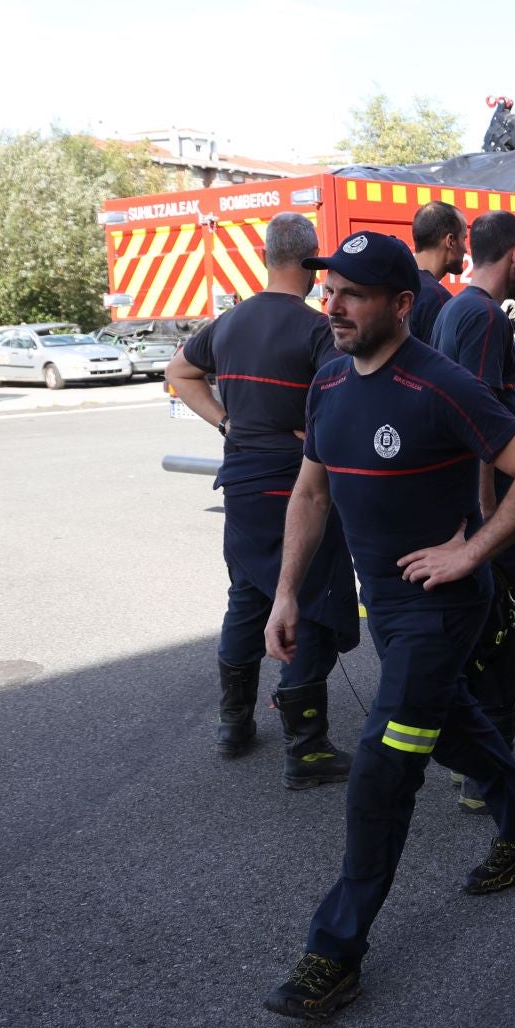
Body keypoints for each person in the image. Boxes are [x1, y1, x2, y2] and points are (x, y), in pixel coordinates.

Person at [262, 230, 515, 1020]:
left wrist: (472, 551)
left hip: (440, 610)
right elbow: (310, 494)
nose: (333, 306)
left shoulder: (441, 385)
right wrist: (286, 594)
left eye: (354, 294)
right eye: (330, 291)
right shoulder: (328, 383)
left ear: (401, 305)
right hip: (388, 609)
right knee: (451, 728)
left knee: (383, 766)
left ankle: (334, 952)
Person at [165, 212, 359, 788]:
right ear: (310, 262)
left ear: (266, 258)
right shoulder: (316, 328)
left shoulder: (228, 323)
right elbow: (342, 398)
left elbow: (180, 372)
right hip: (297, 486)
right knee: (307, 600)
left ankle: (233, 724)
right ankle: (308, 748)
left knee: (248, 597)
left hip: (242, 484)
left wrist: (228, 425)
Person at [431, 211, 515, 815]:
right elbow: (481, 425)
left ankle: (479, 772)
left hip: (481, 514)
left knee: (491, 646)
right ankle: (492, 783)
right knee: (513, 646)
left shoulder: (457, 309)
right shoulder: (484, 317)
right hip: (501, 522)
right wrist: (488, 522)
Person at [407, 200, 467, 343]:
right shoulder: (437, 299)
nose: (465, 249)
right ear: (450, 241)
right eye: (464, 238)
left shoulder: (393, 283)